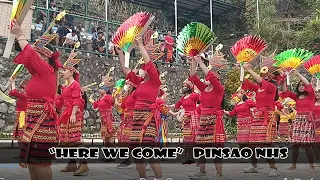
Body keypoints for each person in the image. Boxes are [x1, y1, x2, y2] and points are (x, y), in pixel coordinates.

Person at [11, 19, 61, 180]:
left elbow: (30, 55)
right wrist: (17, 34)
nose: (35, 55)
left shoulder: (47, 70)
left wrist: (20, 34)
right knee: (32, 161)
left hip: (42, 122)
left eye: (39, 53)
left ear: (45, 57)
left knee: (40, 162)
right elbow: (29, 59)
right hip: (34, 120)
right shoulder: (39, 73)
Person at [116, 36, 163, 180]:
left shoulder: (155, 80)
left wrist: (140, 44)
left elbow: (148, 62)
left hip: (148, 118)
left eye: (142, 67)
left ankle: (159, 178)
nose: (141, 69)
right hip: (136, 120)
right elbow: (126, 70)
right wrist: (120, 53)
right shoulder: (140, 82)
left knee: (148, 151)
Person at [188, 55, 225, 179]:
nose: (206, 78)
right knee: (201, 146)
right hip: (203, 120)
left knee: (215, 148)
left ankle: (219, 174)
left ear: (217, 78)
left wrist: (200, 61)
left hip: (214, 120)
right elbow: (193, 77)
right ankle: (202, 172)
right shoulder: (204, 89)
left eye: (210, 76)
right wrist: (193, 61)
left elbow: (210, 75)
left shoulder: (219, 88)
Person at [241, 63, 280, 176]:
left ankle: (273, 169)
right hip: (258, 115)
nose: (263, 77)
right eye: (262, 75)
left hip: (268, 115)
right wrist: (242, 68)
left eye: (266, 75)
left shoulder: (272, 87)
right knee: (252, 142)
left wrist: (250, 69)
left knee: (266, 143)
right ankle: (253, 166)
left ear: (270, 77)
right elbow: (244, 82)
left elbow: (261, 82)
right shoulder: (257, 88)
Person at [58, 61, 89, 175]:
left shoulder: (75, 84)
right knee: (68, 140)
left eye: (65, 70)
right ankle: (72, 163)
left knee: (75, 139)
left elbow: (76, 100)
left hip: (72, 113)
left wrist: (72, 114)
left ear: (71, 72)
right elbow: (61, 99)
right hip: (66, 112)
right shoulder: (66, 85)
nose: (63, 72)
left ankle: (84, 164)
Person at [281, 69, 316, 172]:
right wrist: (284, 78)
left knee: (307, 145)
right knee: (295, 144)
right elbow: (285, 91)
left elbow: (308, 84)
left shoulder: (311, 95)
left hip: (308, 121)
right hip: (298, 120)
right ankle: (293, 165)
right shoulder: (296, 97)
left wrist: (298, 74)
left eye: (302, 85)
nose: (301, 86)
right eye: (299, 85)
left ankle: (311, 167)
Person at [170, 79, 200, 165]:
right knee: (187, 139)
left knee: (195, 138)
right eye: (183, 86)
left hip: (193, 119)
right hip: (185, 120)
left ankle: (200, 159)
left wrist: (198, 109)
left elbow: (202, 100)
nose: (184, 87)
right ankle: (191, 158)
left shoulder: (194, 95)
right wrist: (167, 106)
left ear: (190, 87)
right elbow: (176, 105)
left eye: (185, 86)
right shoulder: (183, 98)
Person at [90, 82, 116, 152]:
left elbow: (112, 102)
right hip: (103, 119)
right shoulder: (101, 98)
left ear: (105, 90)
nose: (99, 90)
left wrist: (114, 94)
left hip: (109, 119)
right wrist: (91, 99)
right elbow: (96, 105)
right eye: (99, 89)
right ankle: (107, 154)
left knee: (110, 137)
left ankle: (111, 154)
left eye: (101, 89)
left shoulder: (107, 96)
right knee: (106, 137)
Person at [117, 80, 137, 169]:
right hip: (126, 119)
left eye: (128, 84)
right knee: (124, 138)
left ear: (132, 85)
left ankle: (141, 161)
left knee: (132, 140)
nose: (126, 85)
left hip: (133, 119)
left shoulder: (136, 93)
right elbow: (123, 106)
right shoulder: (127, 95)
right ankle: (126, 160)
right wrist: (118, 98)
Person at [8, 78, 28, 144]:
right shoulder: (23, 96)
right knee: (20, 134)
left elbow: (13, 92)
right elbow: (11, 92)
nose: (20, 89)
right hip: (20, 116)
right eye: (20, 88)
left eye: (22, 88)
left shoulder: (25, 96)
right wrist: (10, 83)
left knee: (21, 134)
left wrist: (12, 82)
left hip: (22, 116)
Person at [313, 89, 320, 166]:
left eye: (319, 93)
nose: (317, 94)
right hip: (315, 126)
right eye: (316, 92)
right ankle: (317, 159)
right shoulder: (312, 103)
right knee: (315, 143)